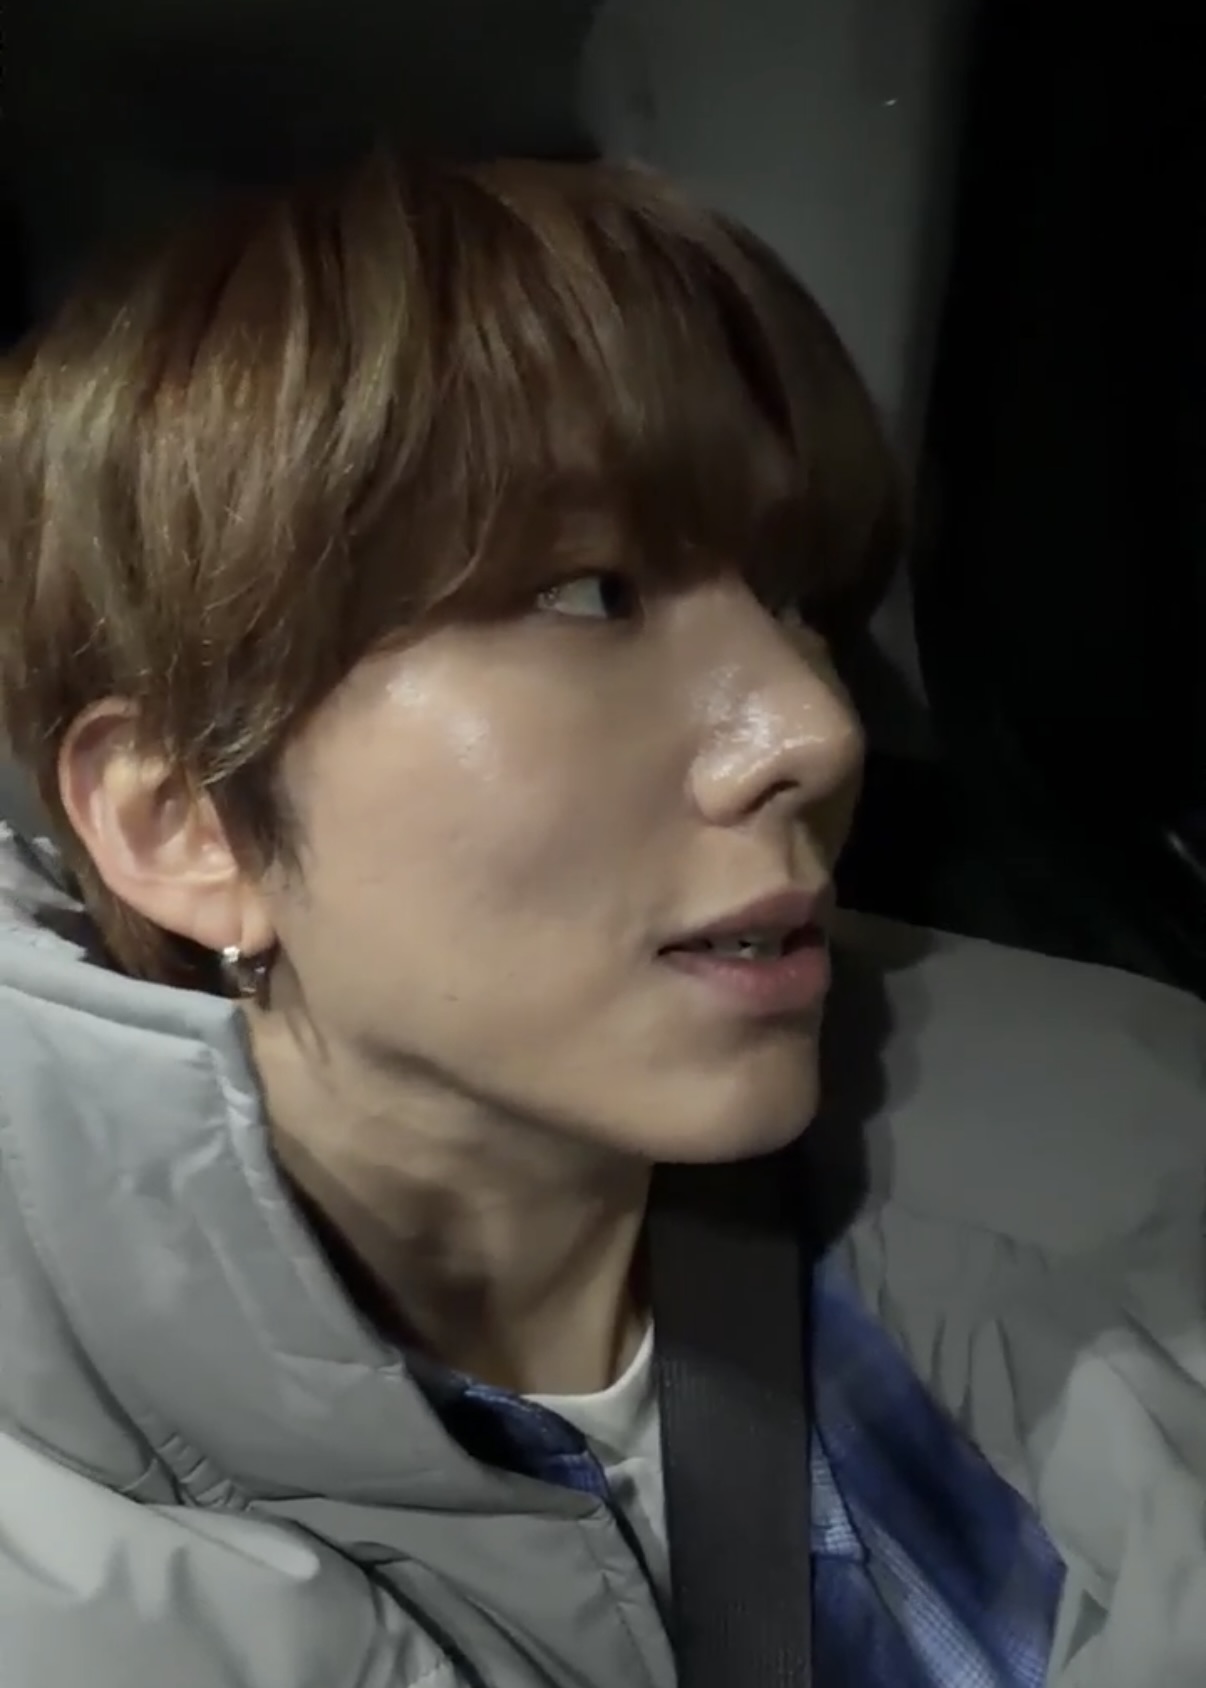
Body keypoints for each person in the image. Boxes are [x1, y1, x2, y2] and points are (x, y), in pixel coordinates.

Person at [0, 152, 1203, 1688]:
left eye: (795, 600)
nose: (813, 729)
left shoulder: (1132, 1145)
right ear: (186, 823)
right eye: (589, 595)